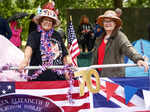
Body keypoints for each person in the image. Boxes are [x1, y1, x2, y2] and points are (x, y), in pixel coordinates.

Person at [19, 1, 69, 81]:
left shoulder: (57, 35)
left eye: (50, 21)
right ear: (40, 21)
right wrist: (25, 60)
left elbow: (64, 54)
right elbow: (29, 47)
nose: (48, 22)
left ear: (53, 23)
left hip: (58, 78)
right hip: (39, 79)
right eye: (45, 19)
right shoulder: (34, 34)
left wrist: (67, 71)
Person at [92, 10, 149, 77]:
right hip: (98, 75)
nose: (107, 23)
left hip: (114, 77)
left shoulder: (120, 36)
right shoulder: (99, 38)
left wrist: (138, 59)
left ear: (115, 23)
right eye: (105, 21)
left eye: (110, 21)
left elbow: (128, 48)